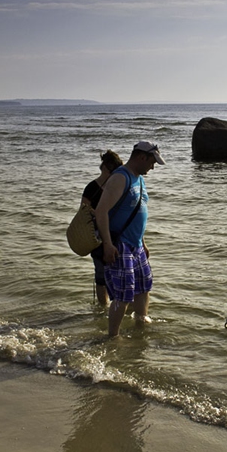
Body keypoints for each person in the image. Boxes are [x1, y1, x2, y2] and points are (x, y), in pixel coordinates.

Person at [95, 141, 165, 337]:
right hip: (120, 245)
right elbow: (101, 212)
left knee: (144, 287)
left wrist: (143, 243)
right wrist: (108, 245)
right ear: (142, 157)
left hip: (137, 246)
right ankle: (113, 337)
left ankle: (141, 325)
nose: (153, 167)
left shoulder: (139, 179)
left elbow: (136, 213)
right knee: (124, 294)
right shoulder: (120, 178)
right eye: (152, 162)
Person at [81, 150, 123, 305]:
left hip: (117, 234)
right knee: (101, 275)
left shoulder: (117, 186)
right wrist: (99, 213)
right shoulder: (92, 188)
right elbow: (83, 212)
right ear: (106, 168)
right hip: (97, 237)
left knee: (117, 273)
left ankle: (114, 306)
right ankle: (103, 309)